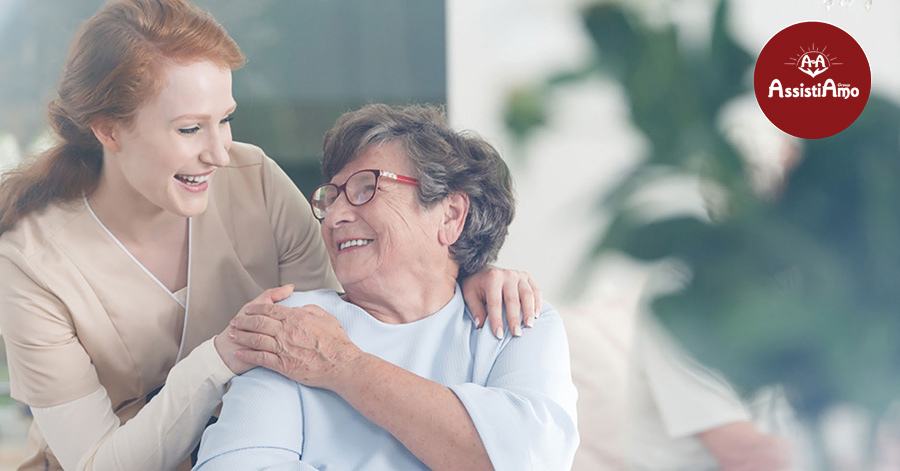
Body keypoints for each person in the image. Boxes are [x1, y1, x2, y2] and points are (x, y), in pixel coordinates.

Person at [0, 2, 539, 470]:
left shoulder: (251, 179)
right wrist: (221, 357)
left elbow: (352, 318)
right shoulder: (31, 262)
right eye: (190, 128)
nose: (218, 152)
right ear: (108, 129)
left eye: (226, 119)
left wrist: (462, 270)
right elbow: (98, 465)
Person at [193, 104, 579, 471]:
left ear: (450, 215)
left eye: (365, 188)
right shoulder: (293, 328)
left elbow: (530, 459)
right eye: (333, 196)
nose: (336, 217)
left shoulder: (514, 318)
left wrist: (343, 364)